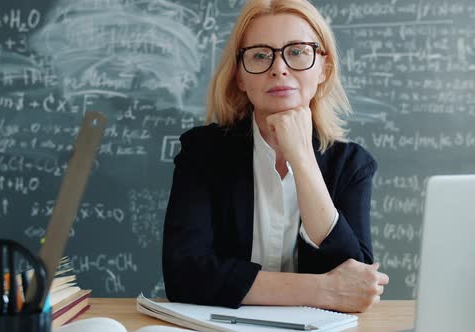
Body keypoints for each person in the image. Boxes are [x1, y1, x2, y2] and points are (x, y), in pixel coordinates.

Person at [162, 0, 389, 313]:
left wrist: (301, 157)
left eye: (296, 52)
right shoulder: (203, 153)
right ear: (240, 77)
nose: (279, 68)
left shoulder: (351, 165)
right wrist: (323, 289)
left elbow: (356, 281)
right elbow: (184, 275)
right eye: (260, 55)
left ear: (324, 67)